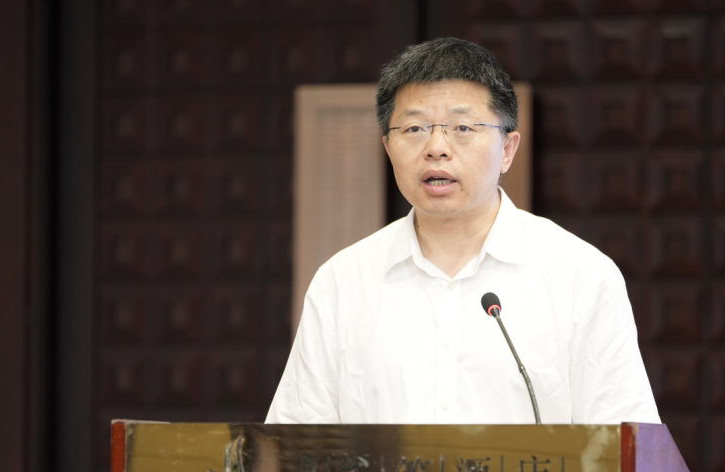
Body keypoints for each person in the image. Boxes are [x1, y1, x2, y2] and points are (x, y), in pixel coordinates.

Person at [267, 37, 659, 426]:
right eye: (415, 128)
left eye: (463, 127)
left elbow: (627, 445)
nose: (437, 147)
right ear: (388, 148)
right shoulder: (342, 282)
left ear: (507, 150)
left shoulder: (581, 276)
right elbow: (294, 444)